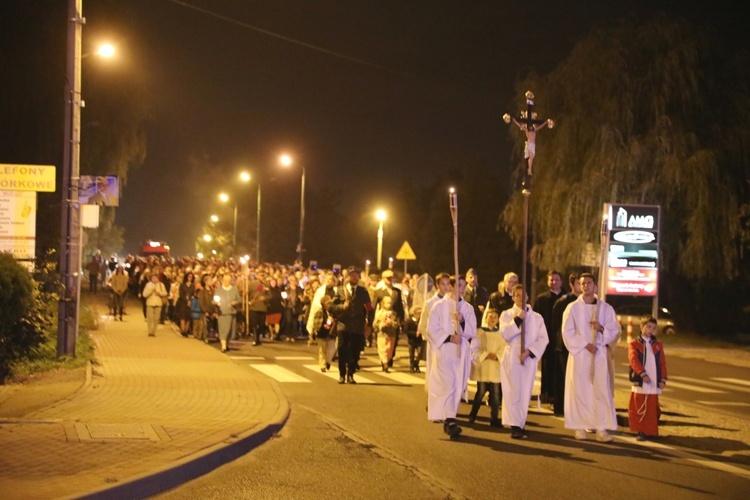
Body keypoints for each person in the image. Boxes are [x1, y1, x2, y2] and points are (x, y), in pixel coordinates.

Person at [562, 273, 620, 442]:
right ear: (579, 286)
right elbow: (567, 332)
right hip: (580, 355)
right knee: (580, 391)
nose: (586, 286)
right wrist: (585, 344)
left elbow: (614, 331)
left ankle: (601, 428)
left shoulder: (605, 309)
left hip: (599, 355)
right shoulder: (572, 308)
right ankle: (580, 427)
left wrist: (600, 328)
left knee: (600, 390)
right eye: (583, 283)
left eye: (589, 283)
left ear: (595, 286)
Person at [426, 275, 476, 439]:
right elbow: (431, 329)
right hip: (445, 352)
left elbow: (472, 331)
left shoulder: (467, 308)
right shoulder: (439, 307)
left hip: (461, 354)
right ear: (451, 287)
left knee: (457, 386)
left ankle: (450, 419)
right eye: (459, 285)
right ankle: (451, 420)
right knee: (447, 385)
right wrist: (448, 337)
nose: (462, 289)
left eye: (463, 286)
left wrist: (462, 322)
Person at [500, 285, 549, 439]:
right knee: (513, 390)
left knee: (525, 390)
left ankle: (520, 422)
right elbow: (505, 334)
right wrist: (517, 320)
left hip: (528, 357)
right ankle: (515, 425)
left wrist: (529, 352)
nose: (520, 298)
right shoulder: (507, 314)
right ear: (513, 297)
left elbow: (543, 338)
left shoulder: (537, 317)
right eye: (516, 295)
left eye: (523, 295)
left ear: (527, 296)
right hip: (512, 355)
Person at [628, 317, 668, 441]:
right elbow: (633, 360)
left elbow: (662, 362)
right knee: (640, 405)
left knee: (651, 406)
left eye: (654, 328)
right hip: (641, 380)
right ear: (642, 327)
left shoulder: (657, 345)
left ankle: (651, 431)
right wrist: (642, 374)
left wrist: (663, 379)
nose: (651, 330)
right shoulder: (635, 344)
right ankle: (641, 430)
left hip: (653, 380)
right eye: (649, 327)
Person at [331, 267, 372, 384]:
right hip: (343, 325)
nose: (354, 277)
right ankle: (342, 374)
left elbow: (369, 308)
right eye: (352, 275)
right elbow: (332, 307)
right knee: (342, 349)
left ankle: (351, 374)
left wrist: (369, 323)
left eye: (356, 275)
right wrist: (341, 307)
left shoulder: (363, 292)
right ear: (347, 277)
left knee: (355, 350)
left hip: (357, 326)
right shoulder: (339, 290)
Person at [550, 273, 581, 416]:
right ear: (572, 285)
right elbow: (556, 326)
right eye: (580, 283)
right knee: (564, 378)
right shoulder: (563, 302)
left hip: (582, 347)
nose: (583, 286)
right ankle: (561, 407)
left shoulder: (591, 303)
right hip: (564, 346)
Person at [533, 270, 564, 405]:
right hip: (546, 339)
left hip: (562, 340)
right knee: (547, 369)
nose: (554, 282)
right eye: (551, 280)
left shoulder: (566, 299)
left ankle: (559, 397)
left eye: (556, 280)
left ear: (561, 282)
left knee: (561, 370)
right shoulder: (541, 299)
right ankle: (547, 395)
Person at [468, 307, 503, 427]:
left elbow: (504, 349)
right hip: (483, 366)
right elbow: (475, 348)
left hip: (495, 367)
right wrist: (486, 355)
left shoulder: (501, 333)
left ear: (498, 319)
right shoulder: (479, 332)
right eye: (490, 316)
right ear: (486, 318)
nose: (492, 319)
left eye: (495, 317)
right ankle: (472, 414)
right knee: (481, 392)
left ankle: (494, 418)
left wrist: (497, 355)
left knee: (496, 394)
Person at [214, 273, 240, 353]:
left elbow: (239, 299)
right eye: (225, 280)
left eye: (228, 280)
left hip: (231, 312)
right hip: (222, 313)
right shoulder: (219, 290)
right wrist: (217, 303)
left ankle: (227, 344)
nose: (226, 282)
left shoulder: (234, 289)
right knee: (223, 330)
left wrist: (235, 302)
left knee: (230, 330)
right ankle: (223, 346)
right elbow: (214, 300)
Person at [373, 295, 399, 372]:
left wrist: (393, 324)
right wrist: (382, 324)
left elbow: (396, 323)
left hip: (391, 334)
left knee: (389, 349)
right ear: (383, 303)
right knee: (383, 349)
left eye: (390, 303)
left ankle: (386, 361)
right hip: (382, 334)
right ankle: (385, 363)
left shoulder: (393, 313)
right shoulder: (380, 313)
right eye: (387, 303)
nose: (389, 304)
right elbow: (375, 323)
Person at [312, 295, 336, 372]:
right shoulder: (319, 312)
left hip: (331, 333)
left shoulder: (332, 312)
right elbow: (316, 323)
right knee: (322, 350)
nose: (329, 305)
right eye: (328, 303)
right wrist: (322, 326)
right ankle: (322, 365)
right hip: (322, 333)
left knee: (332, 349)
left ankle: (328, 362)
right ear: (323, 304)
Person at [404, 305, 424, 373]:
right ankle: (412, 366)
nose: (420, 315)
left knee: (419, 354)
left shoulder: (421, 322)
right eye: (419, 313)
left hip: (419, 341)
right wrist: (415, 333)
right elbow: (406, 331)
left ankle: (416, 364)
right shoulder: (409, 321)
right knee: (411, 355)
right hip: (411, 340)